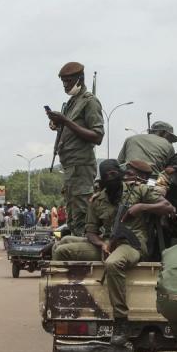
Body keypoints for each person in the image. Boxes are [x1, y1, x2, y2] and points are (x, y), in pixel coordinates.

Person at [53, 159, 174, 348]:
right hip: (109, 242)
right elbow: (91, 231)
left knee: (112, 264)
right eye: (107, 175)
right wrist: (101, 244)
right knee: (62, 249)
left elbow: (168, 208)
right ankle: (69, 301)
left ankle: (121, 321)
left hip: (133, 244)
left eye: (114, 173)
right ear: (102, 178)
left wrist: (141, 207)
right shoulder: (97, 199)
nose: (112, 177)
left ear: (121, 173)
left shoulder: (138, 190)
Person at [45, 61, 105, 236]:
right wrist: (58, 124)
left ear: (80, 79)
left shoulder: (90, 102)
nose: (65, 85)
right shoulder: (72, 102)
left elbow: (97, 136)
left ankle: (86, 253)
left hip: (81, 166)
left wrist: (65, 121)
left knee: (83, 214)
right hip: (70, 167)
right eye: (63, 81)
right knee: (73, 216)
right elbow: (73, 128)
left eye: (69, 81)